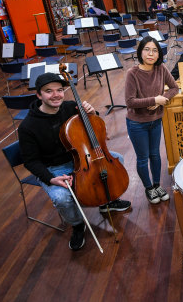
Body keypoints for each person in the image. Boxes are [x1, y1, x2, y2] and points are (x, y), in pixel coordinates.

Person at [18, 73, 131, 251]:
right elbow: (31, 161)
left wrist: (93, 113)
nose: (56, 95)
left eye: (60, 90)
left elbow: (95, 126)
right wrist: (50, 178)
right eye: (49, 91)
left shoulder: (71, 107)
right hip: (54, 168)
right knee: (61, 198)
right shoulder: (28, 126)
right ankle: (78, 224)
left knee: (118, 160)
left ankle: (106, 201)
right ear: (39, 95)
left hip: (82, 158)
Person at [125, 36, 179, 204]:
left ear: (159, 54)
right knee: (143, 157)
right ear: (140, 52)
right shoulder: (132, 73)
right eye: (147, 49)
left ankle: (157, 185)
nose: (151, 53)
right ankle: (149, 188)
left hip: (155, 120)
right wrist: (155, 100)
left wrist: (163, 97)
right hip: (137, 123)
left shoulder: (161, 68)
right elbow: (130, 102)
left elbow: (175, 88)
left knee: (155, 155)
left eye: (155, 50)